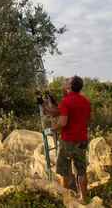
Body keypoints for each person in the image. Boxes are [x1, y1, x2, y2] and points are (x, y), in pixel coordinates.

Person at [47, 76, 91, 204]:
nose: (65, 83)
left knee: (64, 170)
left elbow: (63, 122)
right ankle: (83, 198)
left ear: (70, 87)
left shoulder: (66, 101)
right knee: (81, 170)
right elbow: (88, 120)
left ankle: (66, 199)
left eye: (67, 82)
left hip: (68, 141)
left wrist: (54, 128)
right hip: (82, 140)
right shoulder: (86, 101)